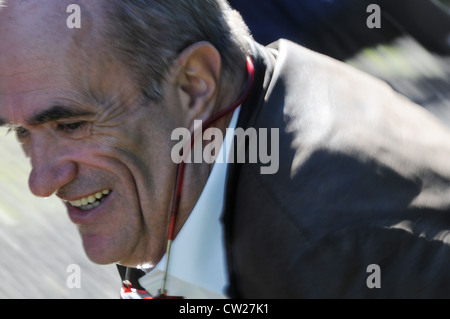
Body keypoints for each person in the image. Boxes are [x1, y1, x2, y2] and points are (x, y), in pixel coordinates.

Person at [1, 0, 450, 299]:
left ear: (194, 85)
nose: (40, 182)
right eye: (19, 132)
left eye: (71, 124)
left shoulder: (326, 254)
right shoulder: (254, 86)